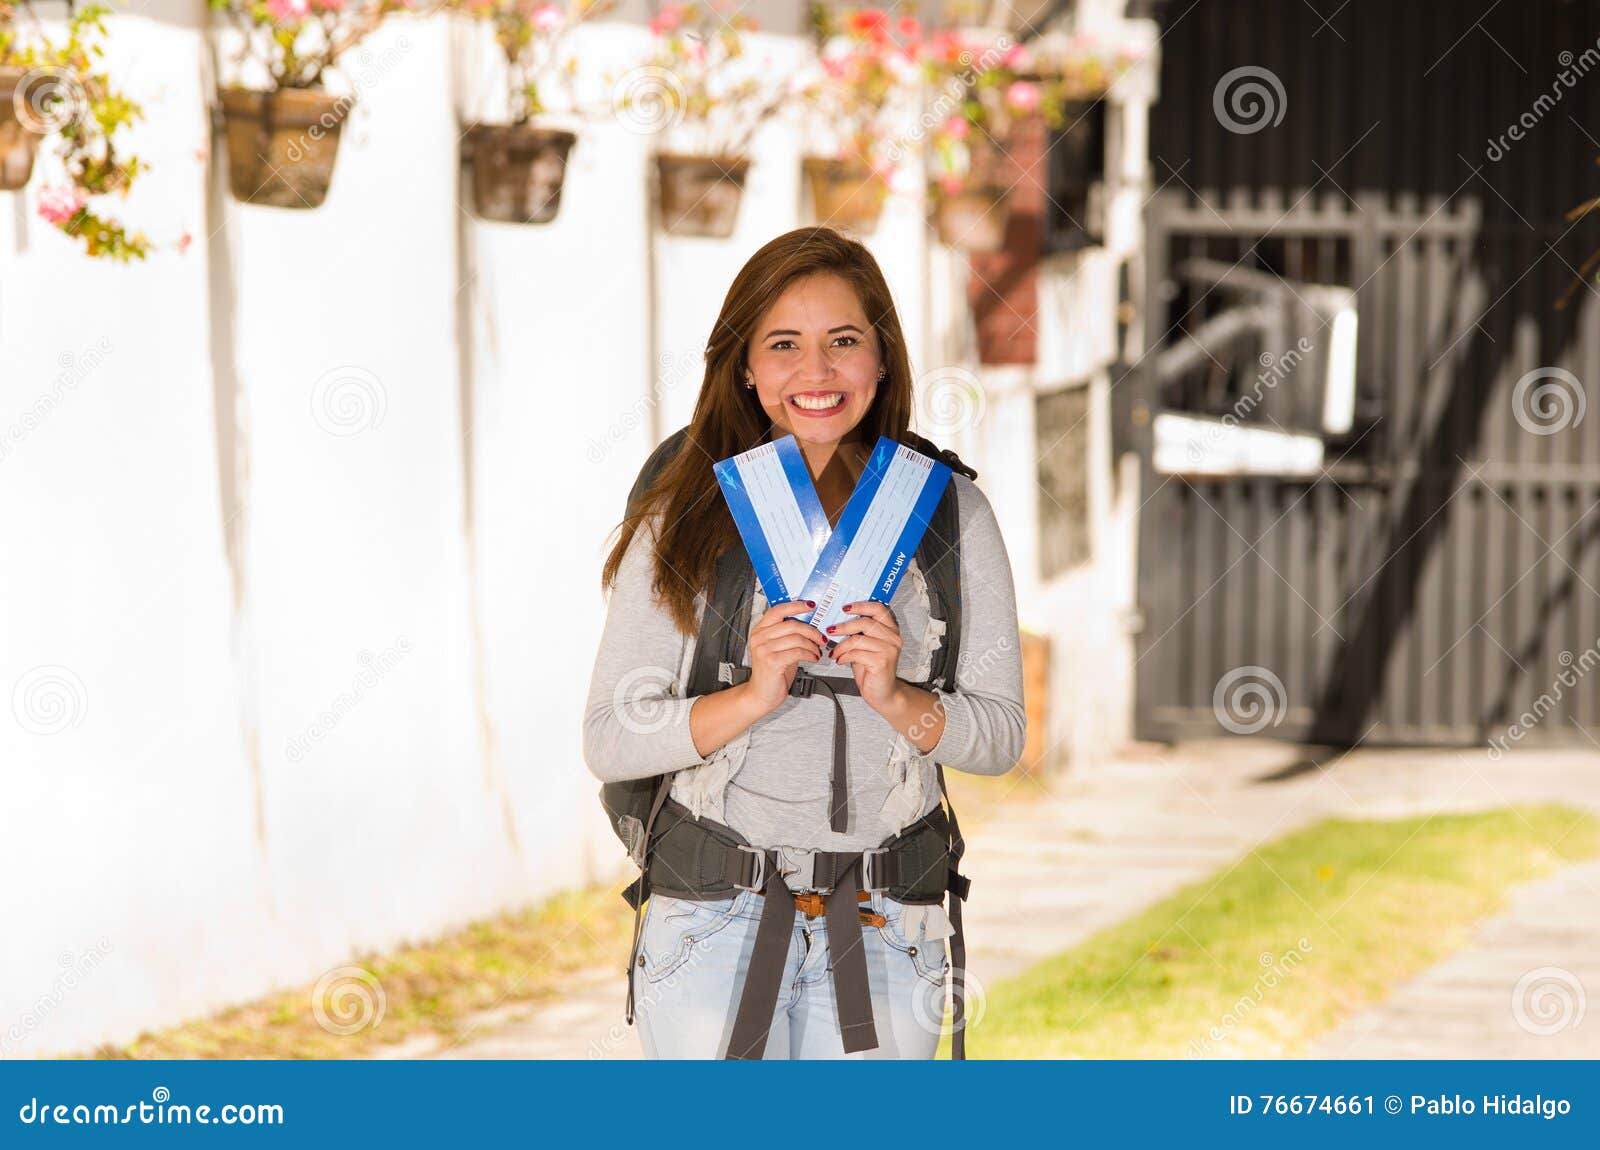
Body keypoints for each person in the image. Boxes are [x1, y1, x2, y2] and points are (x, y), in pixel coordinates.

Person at [582, 225, 1026, 1059]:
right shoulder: (683, 513)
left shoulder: (948, 514)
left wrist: (899, 697)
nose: (816, 374)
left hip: (891, 925)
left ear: (883, 358)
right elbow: (609, 737)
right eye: (784, 344)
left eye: (844, 342)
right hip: (711, 922)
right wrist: (750, 696)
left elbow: (1000, 738)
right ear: (744, 364)